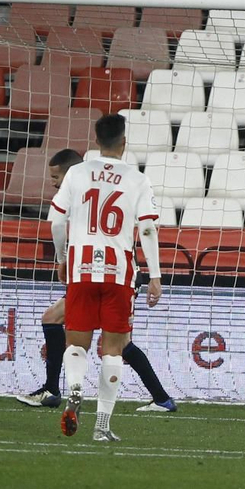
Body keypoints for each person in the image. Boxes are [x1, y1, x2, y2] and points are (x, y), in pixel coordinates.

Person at [16, 148, 177, 413]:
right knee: (53, 319)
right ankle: (52, 389)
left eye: (56, 177)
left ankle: (160, 398)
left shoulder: (79, 187)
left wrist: (63, 258)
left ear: (71, 173)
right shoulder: (108, 187)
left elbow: (58, 224)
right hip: (105, 272)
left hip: (105, 272)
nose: (53, 182)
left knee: (119, 344)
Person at [48, 113, 163, 442]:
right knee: (113, 350)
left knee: (76, 344)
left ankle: (74, 390)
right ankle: (102, 425)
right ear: (124, 143)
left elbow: (56, 222)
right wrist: (155, 276)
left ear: (96, 141)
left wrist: (62, 258)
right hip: (119, 272)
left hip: (81, 268)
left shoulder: (77, 172)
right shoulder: (137, 179)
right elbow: (148, 228)